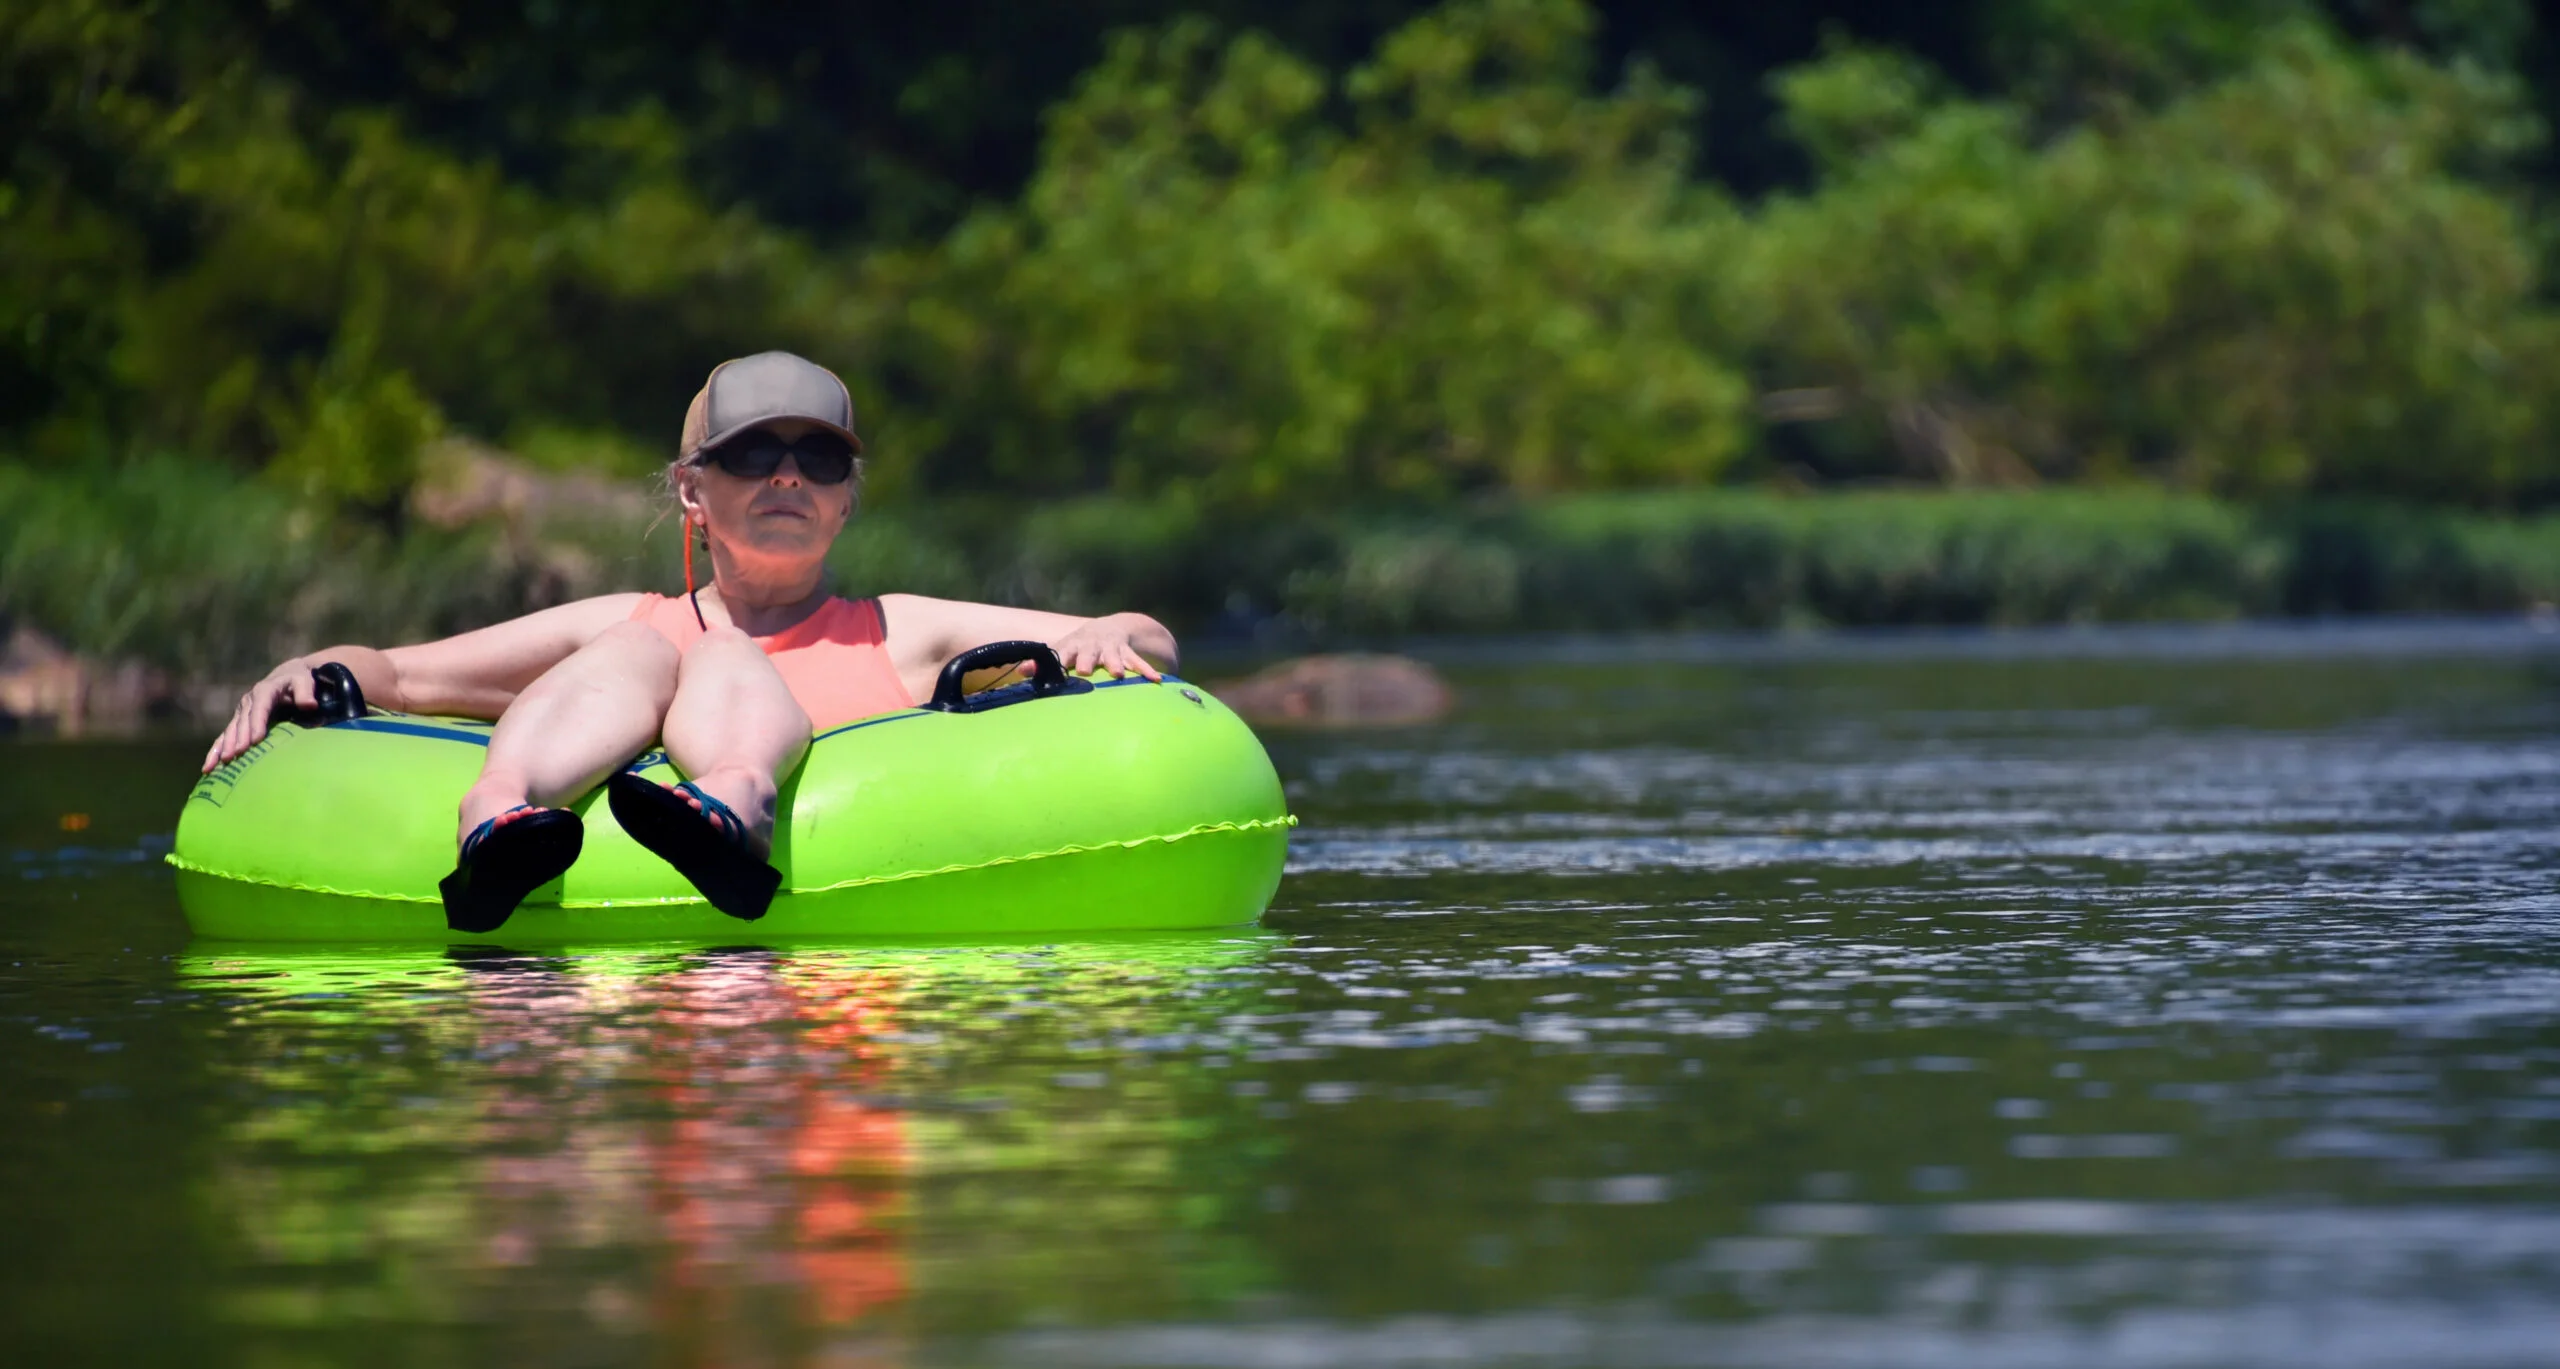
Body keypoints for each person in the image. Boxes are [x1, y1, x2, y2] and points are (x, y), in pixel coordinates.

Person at [200, 351, 1176, 933]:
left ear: (847, 496)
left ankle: (730, 814)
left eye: (818, 459)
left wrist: (1105, 631)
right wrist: (308, 667)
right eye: (753, 454)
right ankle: (496, 821)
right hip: (616, 1025)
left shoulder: (905, 630)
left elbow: (1147, 637)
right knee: (646, 647)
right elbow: (400, 674)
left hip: (805, 992)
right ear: (691, 488)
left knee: (720, 656)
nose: (787, 477)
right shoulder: (623, 627)